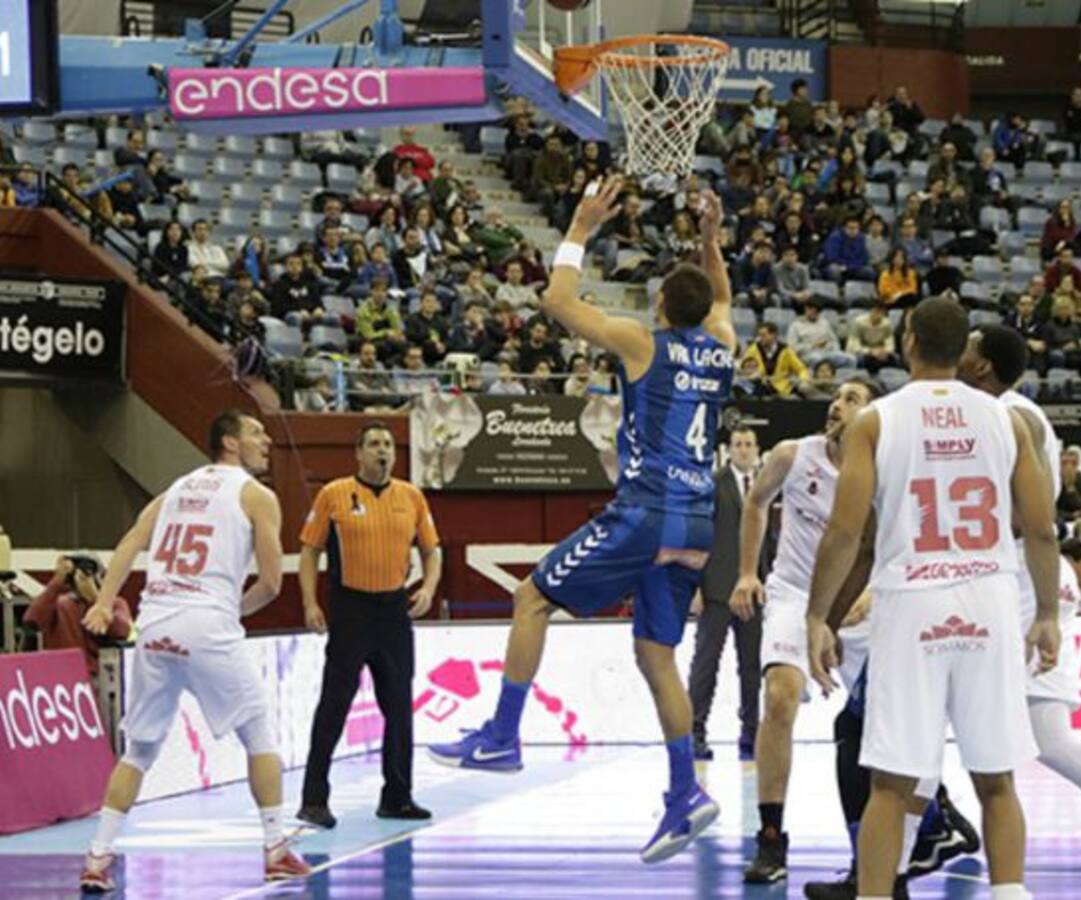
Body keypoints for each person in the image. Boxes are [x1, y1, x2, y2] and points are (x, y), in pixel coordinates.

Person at [428, 180, 737, 864]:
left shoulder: (643, 343)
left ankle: (502, 736)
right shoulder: (722, 344)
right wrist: (711, 238)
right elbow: (721, 297)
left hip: (646, 512)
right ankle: (684, 793)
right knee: (657, 657)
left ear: (661, 304)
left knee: (531, 598)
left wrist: (578, 226)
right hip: (696, 526)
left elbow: (557, 301)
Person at [805, 296, 1061, 900]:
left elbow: (845, 533)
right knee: (997, 781)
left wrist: (818, 615)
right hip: (989, 599)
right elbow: (1042, 528)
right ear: (961, 348)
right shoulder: (1009, 421)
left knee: (891, 785)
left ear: (909, 342)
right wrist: (1048, 613)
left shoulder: (876, 422)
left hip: (912, 604)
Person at [78, 410, 309, 891]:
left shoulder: (176, 489)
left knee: (138, 751)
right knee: (259, 736)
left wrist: (103, 602)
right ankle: (275, 849)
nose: (267, 440)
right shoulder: (257, 495)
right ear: (230, 442)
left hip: (155, 622)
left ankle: (97, 857)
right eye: (256, 432)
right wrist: (227, 612)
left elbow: (131, 541)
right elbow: (270, 583)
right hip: (206, 622)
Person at [958, 329, 1081, 836]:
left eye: (970, 345)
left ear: (984, 365)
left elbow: (1026, 518)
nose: (960, 351)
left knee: (942, 710)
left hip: (1022, 573)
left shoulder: (1013, 415)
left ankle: (915, 837)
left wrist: (1042, 610)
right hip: (1028, 570)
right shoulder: (999, 411)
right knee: (1049, 737)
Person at [735, 379, 879, 884]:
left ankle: (904, 838)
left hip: (857, 605)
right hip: (795, 595)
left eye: (853, 399)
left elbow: (894, 541)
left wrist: (870, 593)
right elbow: (756, 502)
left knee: (882, 724)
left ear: (874, 416)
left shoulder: (883, 472)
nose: (838, 404)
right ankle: (771, 838)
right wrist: (748, 572)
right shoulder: (793, 454)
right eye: (837, 396)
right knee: (779, 697)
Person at [297, 422, 441, 828]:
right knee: (334, 704)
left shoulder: (411, 497)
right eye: (374, 444)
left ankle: (397, 796)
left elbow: (432, 550)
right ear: (358, 453)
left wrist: (428, 588)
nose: (383, 451)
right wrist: (310, 603)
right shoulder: (334, 494)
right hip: (350, 610)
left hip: (393, 611)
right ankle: (313, 799)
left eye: (388, 445)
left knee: (399, 707)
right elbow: (309, 551)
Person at [687, 427, 764, 762]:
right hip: (716, 590)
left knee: (752, 667)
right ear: (728, 450)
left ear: (757, 449)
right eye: (738, 445)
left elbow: (769, 539)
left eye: (749, 444)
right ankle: (694, 732)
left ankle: (751, 734)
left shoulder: (764, 484)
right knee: (706, 664)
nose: (744, 450)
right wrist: (695, 587)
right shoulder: (713, 484)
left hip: (754, 593)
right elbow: (697, 534)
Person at [24, 553, 134, 676]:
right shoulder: (58, 604)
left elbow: (122, 632)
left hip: (99, 674)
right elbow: (32, 621)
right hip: (63, 674)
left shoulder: (115, 603)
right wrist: (57, 582)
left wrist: (95, 600)